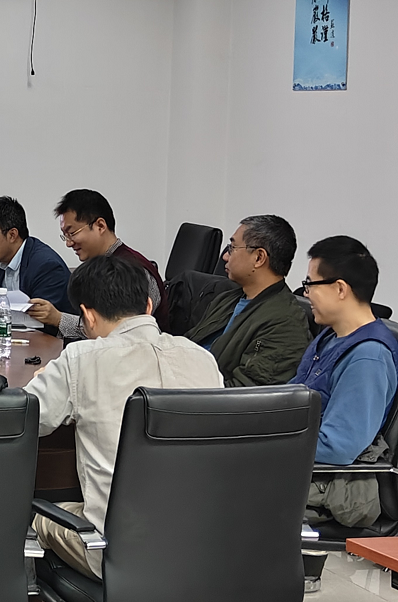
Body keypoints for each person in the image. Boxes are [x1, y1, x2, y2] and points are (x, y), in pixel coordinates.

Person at [26, 256, 222, 581]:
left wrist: (48, 378)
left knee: (35, 516)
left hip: (116, 550)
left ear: (87, 315)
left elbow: (25, 419)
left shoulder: (82, 360)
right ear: (148, 305)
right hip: (202, 546)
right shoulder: (203, 359)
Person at [293, 237, 398, 529]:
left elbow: (338, 448)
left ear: (340, 289)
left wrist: (265, 443)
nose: (306, 293)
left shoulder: (368, 357)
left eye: (310, 284)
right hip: (298, 461)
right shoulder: (330, 336)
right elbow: (292, 395)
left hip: (326, 480)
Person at [186, 215, 310, 386]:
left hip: (200, 398)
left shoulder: (285, 325)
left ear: (258, 258)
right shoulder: (227, 299)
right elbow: (188, 344)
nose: (225, 257)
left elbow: (245, 393)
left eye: (232, 248)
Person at [28, 189, 166, 339]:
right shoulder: (97, 268)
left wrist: (59, 319)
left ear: (100, 226)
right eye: (65, 235)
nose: (68, 243)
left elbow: (120, 330)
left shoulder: (133, 270)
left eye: (72, 233)